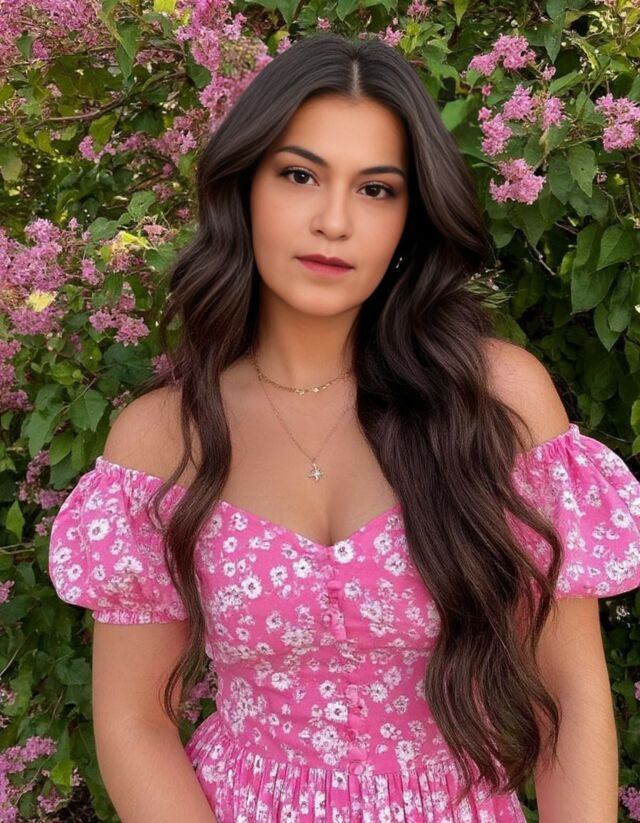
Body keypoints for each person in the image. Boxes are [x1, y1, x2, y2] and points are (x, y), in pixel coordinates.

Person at [48, 32, 640, 823]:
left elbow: (567, 693)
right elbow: (134, 719)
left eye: (376, 189)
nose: (334, 221)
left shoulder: (496, 402)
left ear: (410, 218)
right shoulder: (163, 438)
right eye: (300, 175)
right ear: (243, 186)